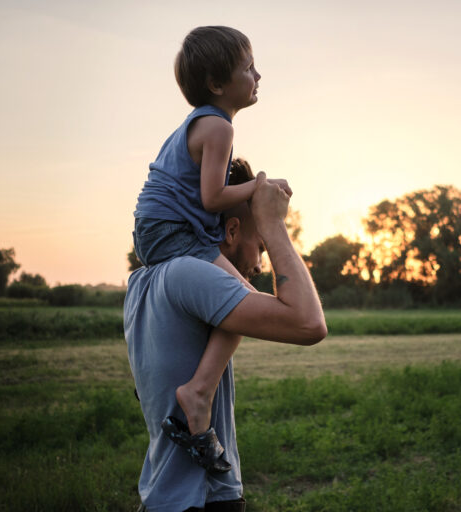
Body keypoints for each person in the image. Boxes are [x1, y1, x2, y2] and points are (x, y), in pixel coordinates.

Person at [125, 164, 326, 512]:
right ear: (232, 230)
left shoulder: (140, 283)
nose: (261, 264)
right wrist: (274, 224)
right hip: (201, 499)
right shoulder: (190, 275)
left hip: (160, 495)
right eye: (260, 246)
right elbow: (308, 323)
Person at [132, 26, 290, 466]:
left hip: (162, 230)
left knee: (238, 298)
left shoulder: (204, 124)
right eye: (248, 68)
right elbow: (212, 199)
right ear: (218, 84)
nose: (258, 75)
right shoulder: (217, 126)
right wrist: (261, 189)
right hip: (169, 231)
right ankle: (197, 393)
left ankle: (191, 388)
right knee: (242, 298)